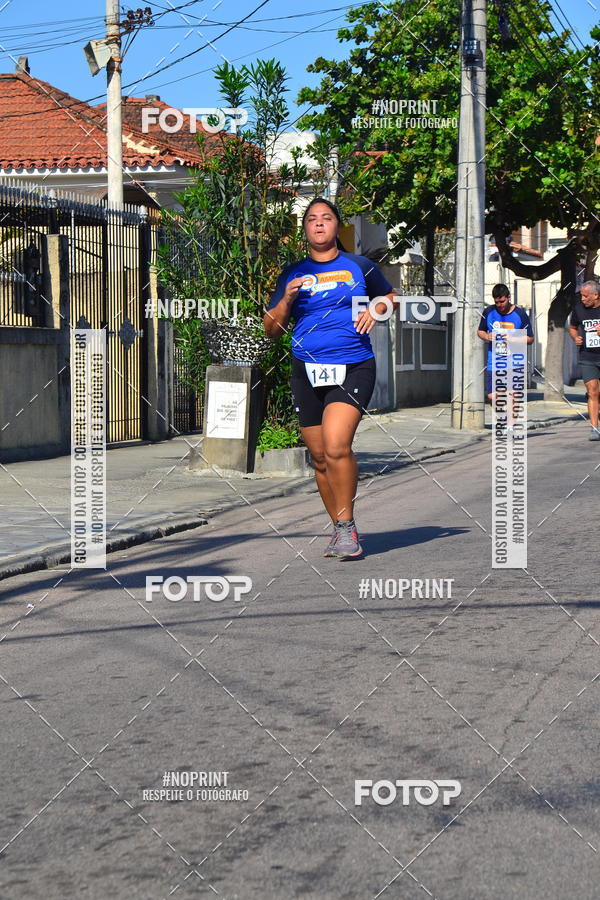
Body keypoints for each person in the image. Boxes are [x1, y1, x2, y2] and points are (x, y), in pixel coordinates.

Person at [263, 197, 397, 559]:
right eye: (312, 219)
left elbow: (390, 295)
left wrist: (376, 308)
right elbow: (271, 329)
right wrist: (286, 300)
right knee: (320, 457)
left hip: (353, 365)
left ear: (338, 226)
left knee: (337, 446)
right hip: (305, 369)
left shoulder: (359, 266)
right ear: (305, 229)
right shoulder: (292, 273)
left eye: (326, 218)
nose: (319, 223)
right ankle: (339, 528)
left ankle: (347, 526)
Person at [477, 283, 534, 401]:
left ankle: (510, 414)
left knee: (513, 397)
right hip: (495, 362)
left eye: (502, 301)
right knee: (492, 397)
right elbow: (480, 331)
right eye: (496, 302)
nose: (500, 305)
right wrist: (487, 336)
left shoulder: (520, 314)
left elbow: (530, 339)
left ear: (509, 297)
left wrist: (513, 339)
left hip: (515, 362)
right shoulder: (488, 311)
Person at [568, 280, 600, 440]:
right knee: (592, 391)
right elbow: (573, 328)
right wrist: (576, 337)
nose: (583, 299)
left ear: (596, 295)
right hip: (587, 356)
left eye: (586, 296)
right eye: (581, 295)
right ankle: (594, 428)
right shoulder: (579, 309)